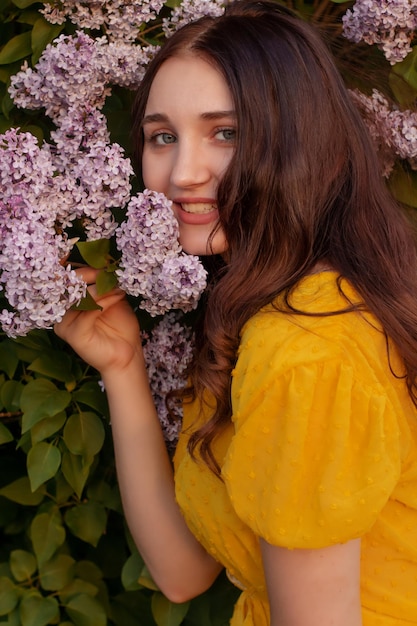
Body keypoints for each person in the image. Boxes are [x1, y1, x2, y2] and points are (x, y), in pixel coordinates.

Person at [55, 1, 417, 624]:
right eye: (162, 136)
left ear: (304, 143)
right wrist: (123, 365)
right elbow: (183, 573)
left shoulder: (305, 352)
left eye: (227, 133)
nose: (182, 173)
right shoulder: (273, 304)